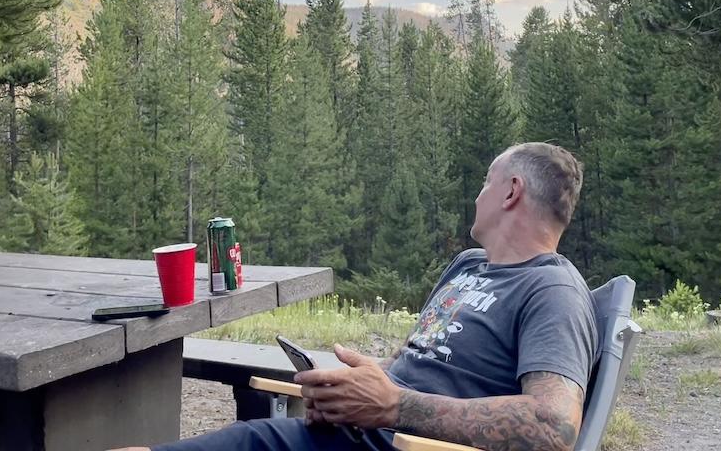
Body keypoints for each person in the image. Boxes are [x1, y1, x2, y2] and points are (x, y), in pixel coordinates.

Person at [113, 142, 598, 451]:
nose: (477, 195)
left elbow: (554, 427)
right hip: (351, 434)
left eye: (485, 183)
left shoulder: (551, 290)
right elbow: (419, 369)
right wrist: (354, 390)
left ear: (511, 191)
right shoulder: (470, 265)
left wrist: (392, 407)